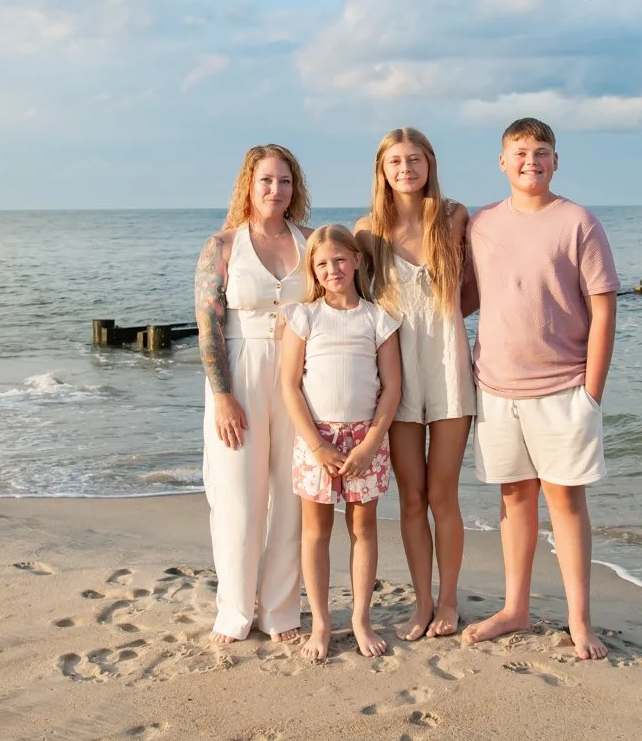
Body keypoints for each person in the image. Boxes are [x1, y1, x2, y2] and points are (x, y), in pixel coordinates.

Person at [460, 117, 619, 661]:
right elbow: (468, 297)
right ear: (503, 162)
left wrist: (591, 393)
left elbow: (604, 310)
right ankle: (515, 609)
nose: (531, 161)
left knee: (566, 503)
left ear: (556, 161)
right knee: (514, 498)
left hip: (563, 388)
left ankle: (580, 620)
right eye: (521, 152)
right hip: (495, 387)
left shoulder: (578, 223)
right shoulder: (481, 224)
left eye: (541, 152)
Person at [354, 128, 476, 641]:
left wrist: (439, 324)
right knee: (411, 497)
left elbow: (474, 292)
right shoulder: (367, 231)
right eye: (396, 162)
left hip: (449, 369)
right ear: (382, 170)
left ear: (430, 163)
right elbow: (352, 304)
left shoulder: (453, 217)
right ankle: (422, 604)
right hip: (397, 377)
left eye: (415, 159)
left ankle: (448, 602)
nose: (406, 169)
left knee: (443, 494)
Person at [193, 143, 311, 645]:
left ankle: (280, 610)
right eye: (266, 180)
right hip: (240, 374)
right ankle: (235, 610)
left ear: (294, 187)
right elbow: (208, 326)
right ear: (249, 184)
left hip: (300, 377)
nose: (275, 189)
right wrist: (222, 396)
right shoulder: (222, 246)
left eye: (284, 180)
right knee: (237, 497)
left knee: (293, 498)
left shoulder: (311, 242)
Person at [279, 225, 402, 661]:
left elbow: (392, 388)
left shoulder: (378, 319)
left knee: (363, 528)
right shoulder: (304, 317)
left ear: (357, 260)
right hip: (317, 440)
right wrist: (317, 446)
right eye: (322, 264)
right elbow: (289, 386)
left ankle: (360, 619)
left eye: (340, 260)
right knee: (315, 532)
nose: (332, 270)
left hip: (365, 439)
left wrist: (370, 444)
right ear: (313, 270)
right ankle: (321, 623)